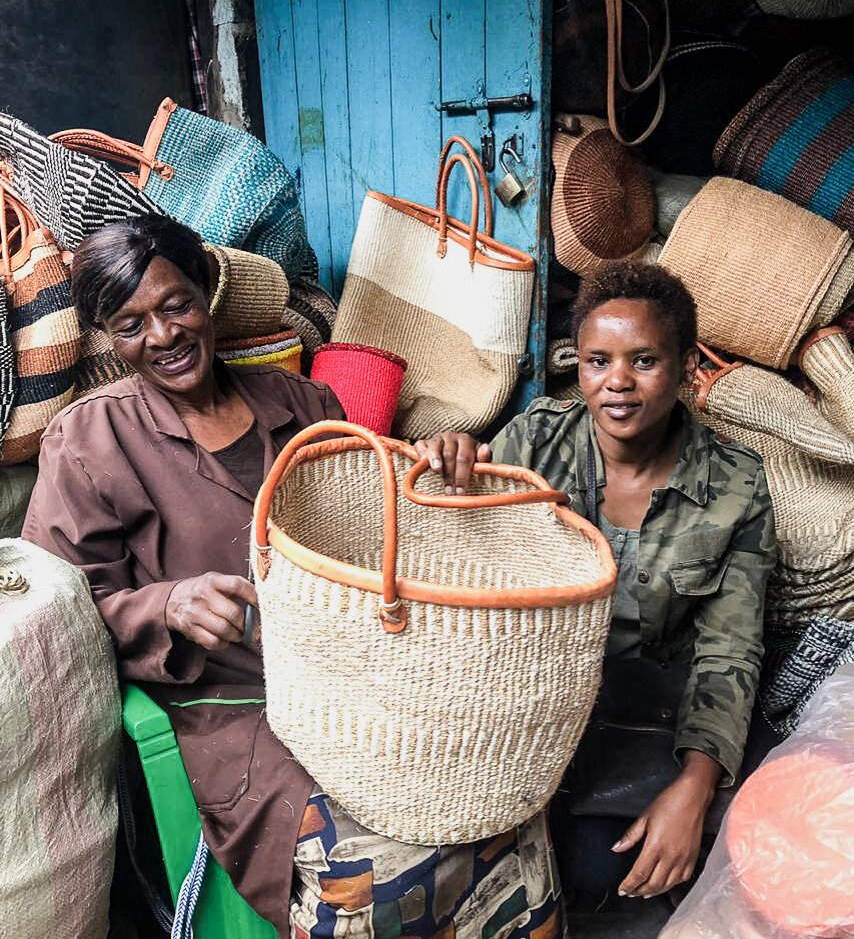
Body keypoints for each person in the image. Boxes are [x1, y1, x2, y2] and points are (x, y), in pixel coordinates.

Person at [22, 214, 566, 939]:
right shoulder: (91, 439)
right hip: (244, 709)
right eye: (130, 324)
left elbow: (381, 531)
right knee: (380, 871)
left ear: (208, 292)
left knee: (503, 811)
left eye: (176, 304)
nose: (162, 336)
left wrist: (437, 466)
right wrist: (166, 605)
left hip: (360, 684)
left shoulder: (306, 407)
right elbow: (59, 607)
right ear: (110, 338)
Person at [416, 262, 778, 903]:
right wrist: (447, 466)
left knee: (619, 872)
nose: (617, 383)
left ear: (687, 366)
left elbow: (730, 651)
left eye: (644, 361)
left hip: (645, 718)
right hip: (527, 707)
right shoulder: (533, 444)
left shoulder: (736, 487)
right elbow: (452, 554)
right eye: (596, 361)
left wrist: (693, 790)